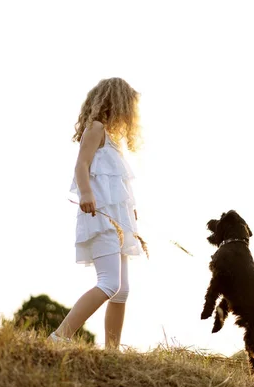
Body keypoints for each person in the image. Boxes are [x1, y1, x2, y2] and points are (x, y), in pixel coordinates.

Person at [49, 77, 144, 349]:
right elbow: (81, 165)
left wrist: (130, 213)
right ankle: (59, 336)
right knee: (109, 282)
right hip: (99, 218)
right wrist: (87, 194)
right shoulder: (96, 128)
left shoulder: (113, 141)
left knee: (121, 290)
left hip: (117, 222)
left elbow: (115, 185)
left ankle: (112, 352)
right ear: (117, 103)